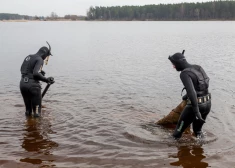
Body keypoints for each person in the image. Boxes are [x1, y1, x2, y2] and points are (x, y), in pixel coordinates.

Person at [168, 50, 211, 139]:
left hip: (195, 106)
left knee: (177, 133)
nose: (173, 67)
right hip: (207, 104)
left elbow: (192, 91)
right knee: (198, 132)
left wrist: (196, 111)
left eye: (174, 64)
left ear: (179, 63)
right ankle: (200, 150)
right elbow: (202, 85)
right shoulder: (198, 67)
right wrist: (186, 96)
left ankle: (169, 150)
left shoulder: (184, 73)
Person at [20, 42, 54, 117]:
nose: (46, 58)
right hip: (33, 86)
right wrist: (46, 79)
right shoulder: (40, 59)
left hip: (23, 84)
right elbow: (35, 73)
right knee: (37, 113)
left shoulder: (28, 57)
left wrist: (40, 73)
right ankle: (36, 128)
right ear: (44, 53)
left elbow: (23, 70)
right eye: (47, 56)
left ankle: (28, 126)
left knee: (28, 110)